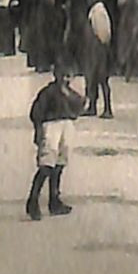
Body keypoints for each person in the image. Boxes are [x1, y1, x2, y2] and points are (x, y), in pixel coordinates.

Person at [27, 63, 86, 219]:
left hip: (66, 125)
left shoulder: (69, 93)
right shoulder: (48, 93)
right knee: (46, 165)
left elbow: (79, 107)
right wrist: (39, 130)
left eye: (69, 76)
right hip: (51, 126)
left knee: (60, 164)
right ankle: (33, 200)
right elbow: (35, 113)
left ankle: (54, 199)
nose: (66, 79)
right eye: (63, 75)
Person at [71, 0, 114, 118]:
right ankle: (93, 106)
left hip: (98, 51)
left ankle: (107, 108)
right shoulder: (93, 10)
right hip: (92, 51)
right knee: (91, 79)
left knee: (102, 79)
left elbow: (104, 33)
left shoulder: (98, 11)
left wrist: (101, 47)